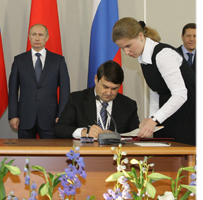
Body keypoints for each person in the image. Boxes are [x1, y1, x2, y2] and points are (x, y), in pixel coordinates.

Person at [112, 17, 199, 146]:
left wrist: (155, 120)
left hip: (189, 115)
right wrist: (152, 118)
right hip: (170, 115)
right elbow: (155, 91)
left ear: (141, 36)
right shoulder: (142, 57)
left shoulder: (163, 55)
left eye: (128, 46)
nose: (126, 52)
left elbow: (181, 94)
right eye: (122, 48)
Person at [8, 23, 70, 139]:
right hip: (25, 117)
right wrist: (13, 115)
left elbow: (65, 91)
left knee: (50, 154)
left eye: (41, 35)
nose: (37, 38)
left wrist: (62, 115)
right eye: (34, 34)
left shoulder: (58, 61)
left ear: (47, 38)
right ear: (29, 37)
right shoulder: (19, 60)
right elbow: (13, 90)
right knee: (25, 154)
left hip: (50, 117)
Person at [54, 60, 140, 139]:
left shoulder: (128, 105)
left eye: (114, 88)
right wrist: (84, 132)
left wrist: (117, 136)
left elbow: (135, 136)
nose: (109, 93)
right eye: (105, 87)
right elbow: (60, 129)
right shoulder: (77, 99)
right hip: (85, 153)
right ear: (96, 79)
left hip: (117, 153)